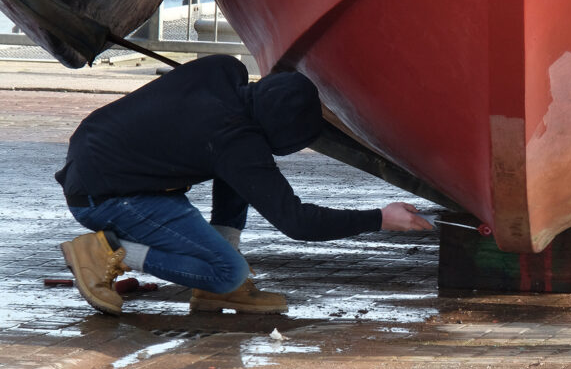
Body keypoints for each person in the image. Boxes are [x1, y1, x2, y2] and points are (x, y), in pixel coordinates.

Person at [56, 54, 432, 316]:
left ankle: (215, 292)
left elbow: (232, 163)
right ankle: (110, 251)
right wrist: (380, 218)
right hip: (104, 197)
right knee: (228, 271)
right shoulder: (237, 143)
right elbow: (298, 223)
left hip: (93, 154)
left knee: (235, 177)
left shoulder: (223, 70)